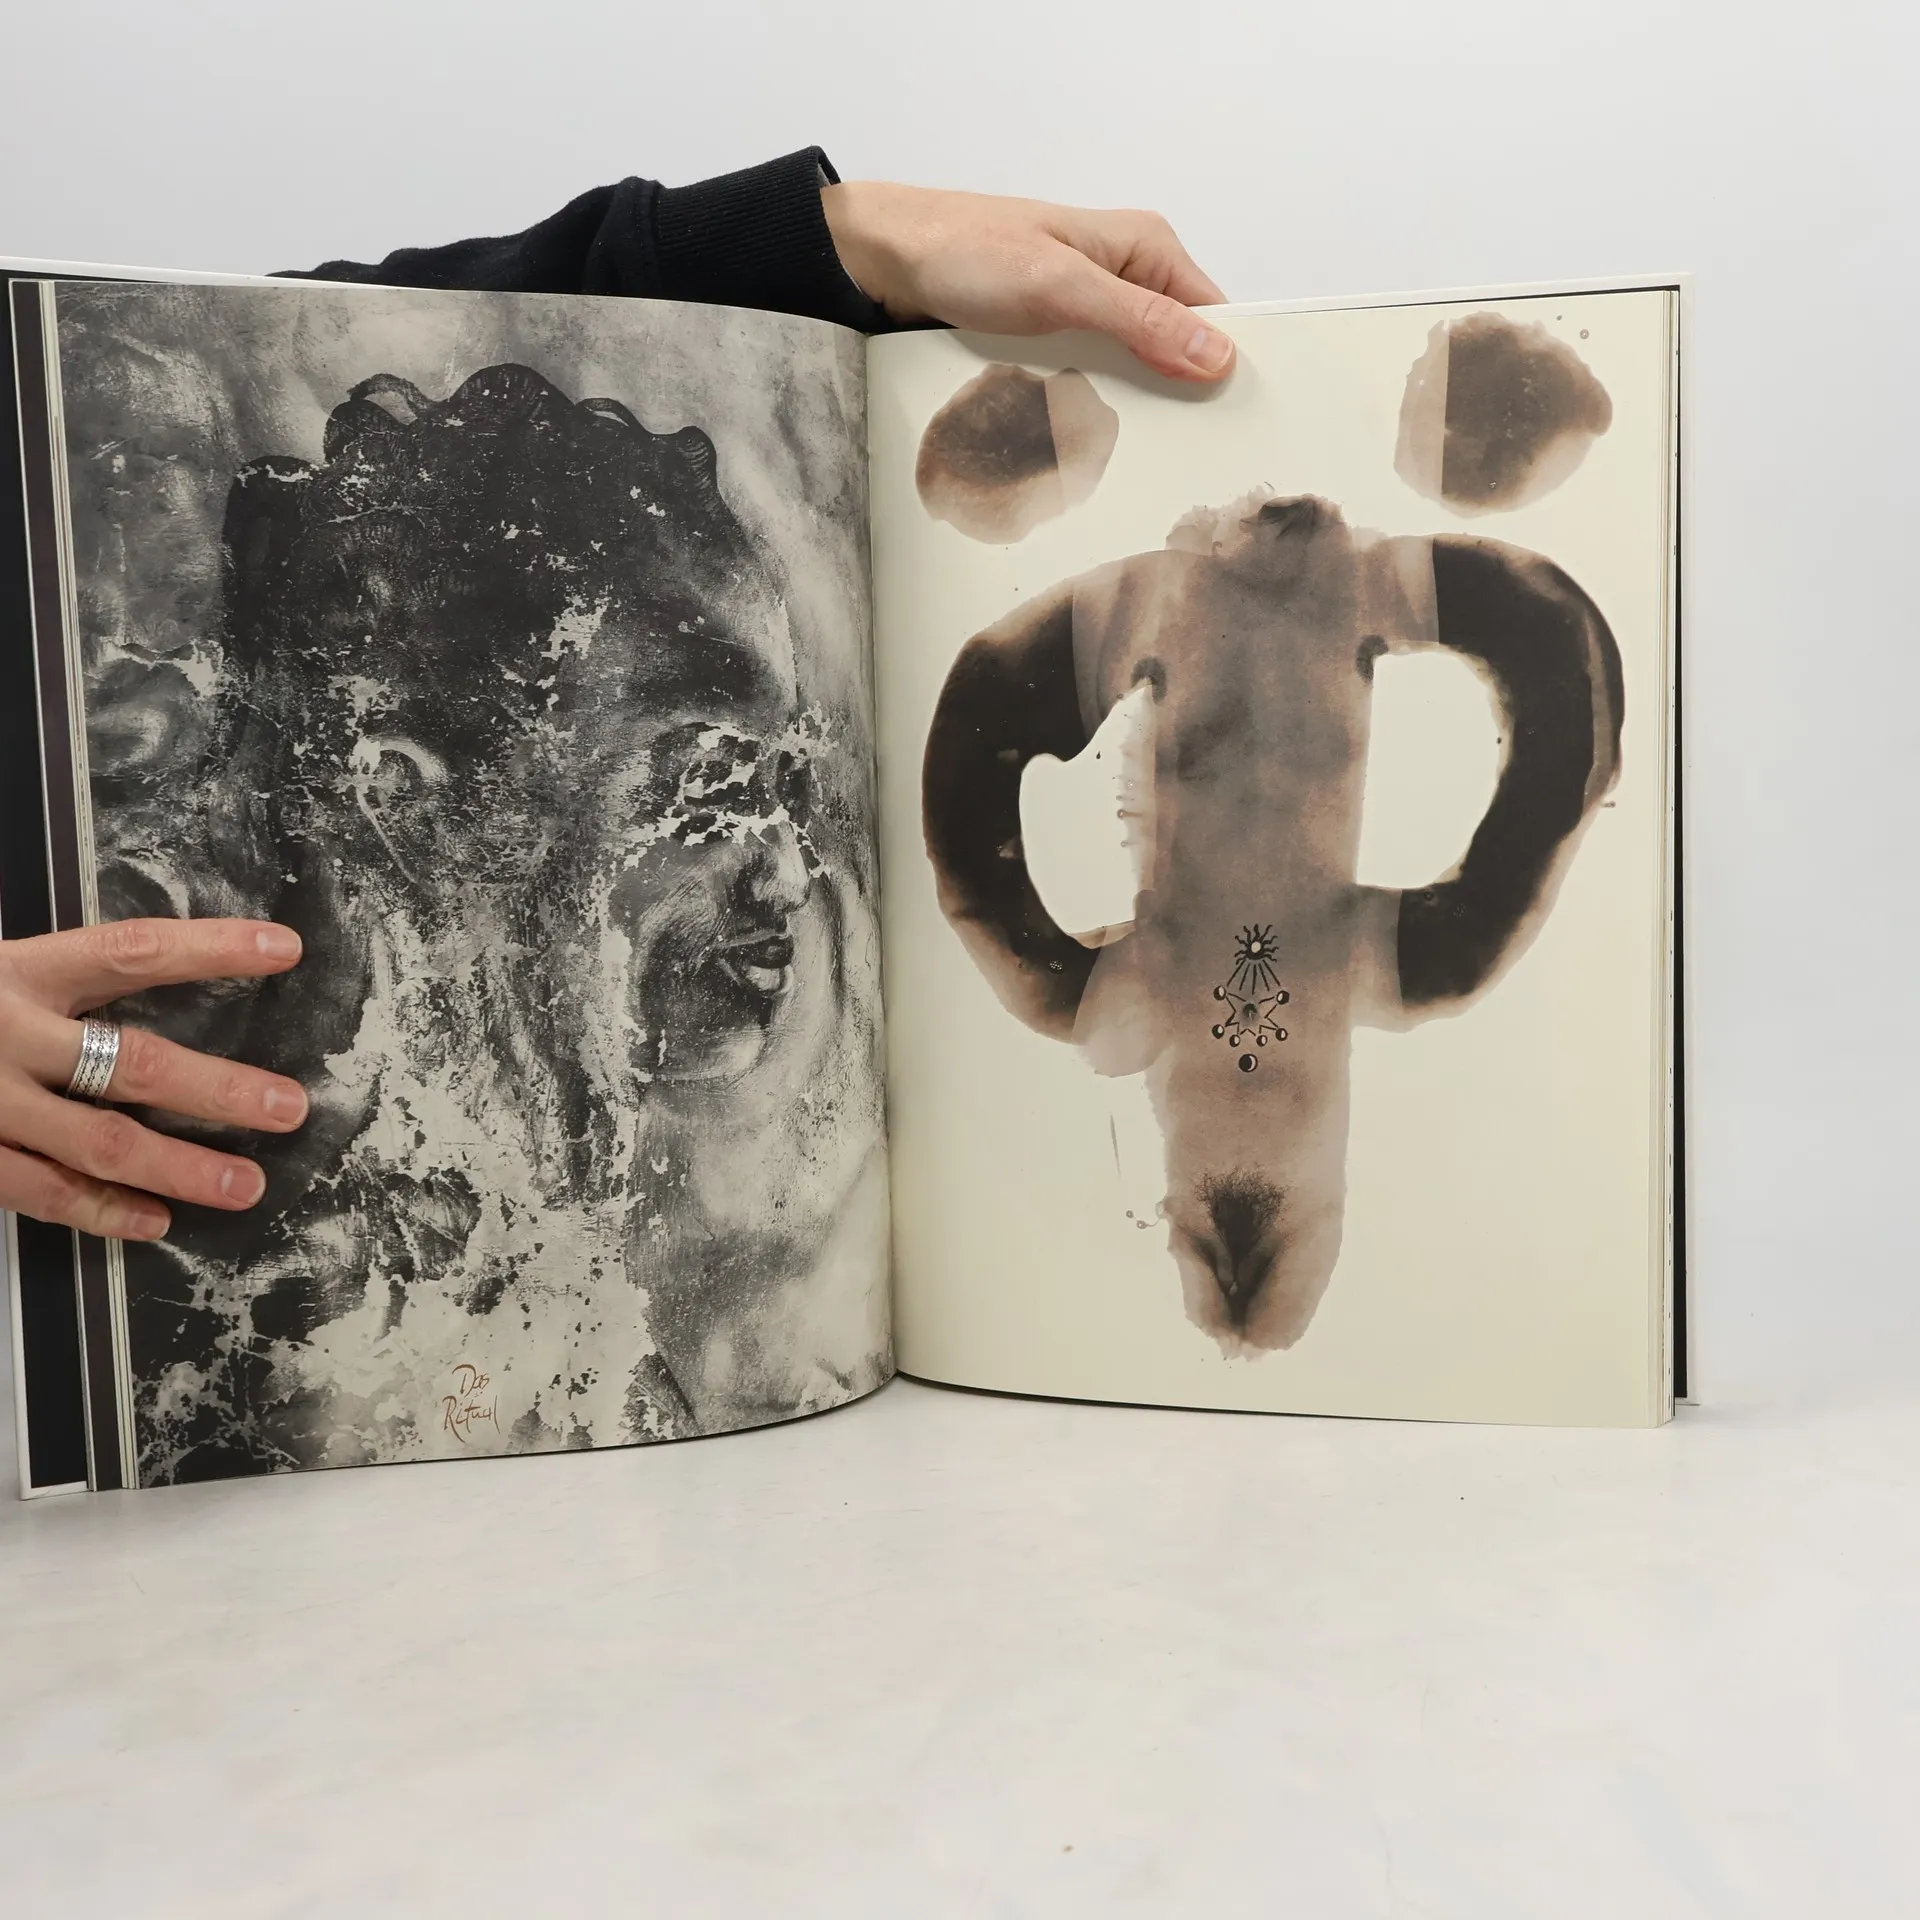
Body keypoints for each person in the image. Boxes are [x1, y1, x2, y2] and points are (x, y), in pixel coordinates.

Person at [0, 148, 1234, 1244]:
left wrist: (827, 238)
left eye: (780, 787)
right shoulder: (243, 1280)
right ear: (409, 802)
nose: (789, 876)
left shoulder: (547, 1251)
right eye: (705, 786)